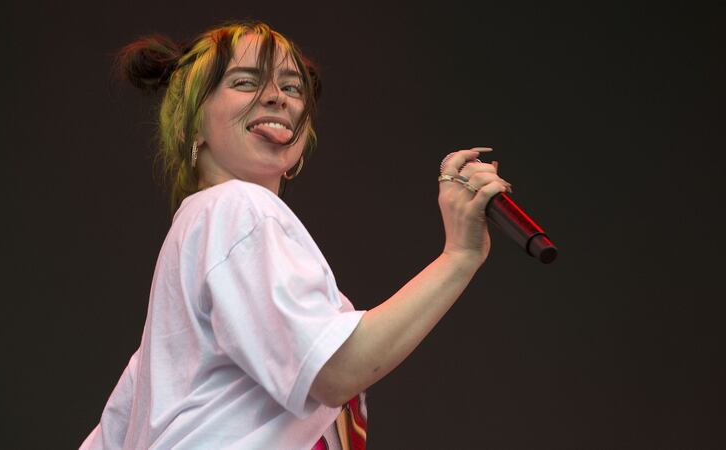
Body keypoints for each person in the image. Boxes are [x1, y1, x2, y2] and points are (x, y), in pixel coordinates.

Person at [80, 21, 511, 450]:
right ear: (189, 124)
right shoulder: (236, 208)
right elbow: (336, 371)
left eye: (292, 87)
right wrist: (459, 255)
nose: (277, 97)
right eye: (245, 82)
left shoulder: (166, 343)